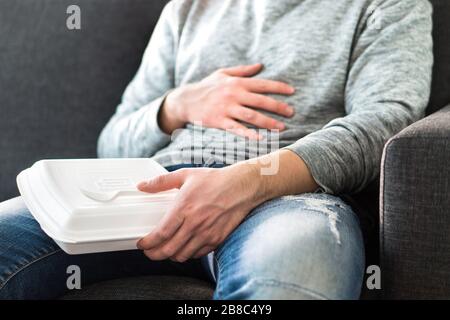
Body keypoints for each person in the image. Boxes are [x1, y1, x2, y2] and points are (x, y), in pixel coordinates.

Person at [0, 0, 433, 299]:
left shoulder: (387, 5)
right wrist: (177, 105)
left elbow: (387, 126)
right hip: (153, 188)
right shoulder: (188, 8)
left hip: (285, 198)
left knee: (291, 281)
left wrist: (245, 182)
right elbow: (111, 142)